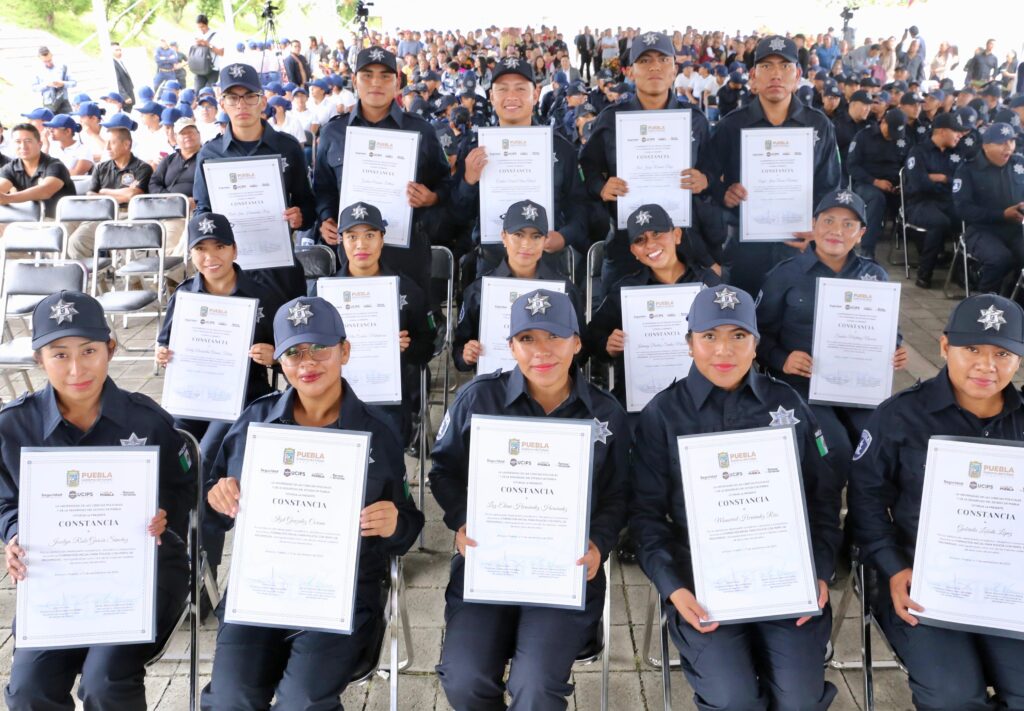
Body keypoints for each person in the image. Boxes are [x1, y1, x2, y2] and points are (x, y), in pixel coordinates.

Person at [201, 295, 424, 709]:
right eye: (294, 351)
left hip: (340, 594)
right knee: (230, 698)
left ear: (345, 350)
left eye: (320, 347)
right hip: (260, 591)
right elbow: (216, 510)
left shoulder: (379, 432)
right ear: (278, 362)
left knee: (301, 701)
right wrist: (218, 498)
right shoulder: (255, 422)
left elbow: (409, 525)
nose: (308, 361)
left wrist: (395, 524)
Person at [630, 284, 840, 711]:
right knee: (734, 700)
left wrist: (818, 571)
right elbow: (646, 517)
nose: (723, 350)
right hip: (702, 584)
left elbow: (822, 501)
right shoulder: (662, 415)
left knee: (799, 700)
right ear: (689, 344)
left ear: (756, 344)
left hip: (786, 579)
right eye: (709, 337)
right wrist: (673, 588)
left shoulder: (789, 404)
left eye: (738, 336)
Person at [431, 288, 629, 711]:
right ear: (511, 346)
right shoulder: (478, 400)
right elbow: (443, 472)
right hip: (489, 568)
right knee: (464, 678)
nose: (542, 352)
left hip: (564, 573)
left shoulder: (606, 414)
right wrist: (463, 521)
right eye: (527, 339)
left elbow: (618, 495)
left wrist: (599, 542)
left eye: (555, 337)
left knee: (535, 685)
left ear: (577, 342)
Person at [1, 290, 193, 710]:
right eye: (59, 354)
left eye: (89, 350)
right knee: (29, 689)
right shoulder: (14, 427)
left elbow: (185, 490)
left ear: (111, 348)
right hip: (55, 579)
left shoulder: (149, 421)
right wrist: (15, 536)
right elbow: (6, 502)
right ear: (38, 358)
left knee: (105, 681)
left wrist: (165, 516)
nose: (76, 369)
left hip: (142, 573)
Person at [848, 292, 1024, 710]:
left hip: (1008, 586)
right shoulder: (899, 417)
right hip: (920, 582)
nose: (986, 364)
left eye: (1003, 353)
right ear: (945, 347)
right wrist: (893, 569)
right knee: (952, 697)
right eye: (972, 349)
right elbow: (866, 503)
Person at [756, 189, 907, 501]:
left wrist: (896, 349)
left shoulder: (874, 276)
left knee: (876, 446)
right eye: (828, 220)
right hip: (800, 386)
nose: (836, 231)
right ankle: (823, 521)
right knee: (834, 449)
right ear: (814, 224)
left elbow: (889, 331)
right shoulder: (785, 275)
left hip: (858, 388)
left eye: (848, 225)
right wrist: (782, 359)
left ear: (861, 232)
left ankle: (860, 528)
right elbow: (756, 336)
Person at [580, 31, 719, 289]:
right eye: (644, 61)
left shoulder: (695, 119)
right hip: (625, 245)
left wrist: (705, 179)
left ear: (674, 69)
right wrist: (600, 187)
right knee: (617, 323)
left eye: (663, 59)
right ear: (630, 71)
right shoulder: (611, 119)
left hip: (683, 246)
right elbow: (586, 168)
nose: (654, 66)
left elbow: (712, 169)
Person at [313, 46, 450, 302]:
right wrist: (326, 219)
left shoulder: (422, 131)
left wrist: (431, 198)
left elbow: (445, 184)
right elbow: (323, 189)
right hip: (355, 253)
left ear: (397, 82)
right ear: (354, 80)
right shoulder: (333, 133)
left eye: (385, 76)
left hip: (407, 252)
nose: (376, 82)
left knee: (412, 333)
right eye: (367, 75)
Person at [710, 35, 841, 296]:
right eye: (766, 66)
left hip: (801, 246)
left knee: (795, 323)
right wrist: (723, 193)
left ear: (798, 74)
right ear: (753, 75)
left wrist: (820, 229)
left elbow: (830, 186)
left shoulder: (818, 125)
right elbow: (708, 179)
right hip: (746, 247)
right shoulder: (731, 125)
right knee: (746, 323)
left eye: (785, 66)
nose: (776, 75)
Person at [450, 58, 591, 272]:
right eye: (503, 89)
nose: (511, 97)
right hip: (492, 261)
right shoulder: (473, 148)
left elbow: (580, 207)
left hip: (548, 261)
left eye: (520, 89)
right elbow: (457, 216)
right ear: (491, 97)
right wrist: (468, 181)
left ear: (535, 95)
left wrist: (563, 237)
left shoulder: (560, 148)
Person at [192, 63, 314, 301]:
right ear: (223, 103)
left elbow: (307, 204)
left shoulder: (287, 148)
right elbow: (202, 210)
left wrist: (300, 217)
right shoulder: (210, 154)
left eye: (250, 96)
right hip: (230, 271)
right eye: (233, 98)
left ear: (262, 101)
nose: (241, 105)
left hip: (279, 269)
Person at [585, 203, 721, 407]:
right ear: (633, 251)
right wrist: (607, 345)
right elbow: (591, 335)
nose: (650, 245)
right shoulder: (626, 290)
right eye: (640, 240)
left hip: (701, 397)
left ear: (676, 235)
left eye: (657, 233)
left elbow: (733, 330)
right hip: (641, 400)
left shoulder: (707, 283)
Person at [454, 201, 585, 373]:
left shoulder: (565, 290)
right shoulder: (480, 291)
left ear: (546, 240)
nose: (526, 244)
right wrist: (467, 355)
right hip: (495, 388)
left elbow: (583, 351)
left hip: (549, 387)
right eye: (518, 234)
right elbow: (458, 352)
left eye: (536, 236)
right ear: (504, 237)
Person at [67, 114, 153, 259]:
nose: (106, 147)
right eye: (106, 143)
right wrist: (120, 194)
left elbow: (133, 195)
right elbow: (91, 197)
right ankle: (95, 279)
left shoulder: (142, 168)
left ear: (126, 145)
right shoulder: (100, 168)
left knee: (124, 247)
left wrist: (104, 191)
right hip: (101, 214)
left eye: (112, 143)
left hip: (129, 215)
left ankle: (133, 282)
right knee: (76, 242)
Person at [952, 122, 1024, 295]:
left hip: (1015, 229)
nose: (1009, 148)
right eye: (1002, 143)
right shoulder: (968, 169)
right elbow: (962, 209)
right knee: (999, 259)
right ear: (985, 145)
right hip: (981, 230)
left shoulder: (1019, 165)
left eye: (1012, 142)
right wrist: (1001, 215)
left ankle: (1013, 301)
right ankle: (985, 305)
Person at [903, 112, 969, 289]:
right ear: (941, 131)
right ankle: (925, 273)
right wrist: (945, 181)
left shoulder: (957, 153)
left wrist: (940, 178)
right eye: (956, 131)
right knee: (939, 222)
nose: (960, 135)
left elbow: (961, 181)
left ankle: (963, 273)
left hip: (948, 201)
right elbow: (917, 183)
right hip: (920, 203)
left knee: (967, 219)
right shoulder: (918, 152)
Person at [846, 108, 911, 260]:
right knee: (877, 199)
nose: (893, 137)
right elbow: (852, 166)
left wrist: (902, 185)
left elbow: (907, 166)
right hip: (867, 183)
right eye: (891, 131)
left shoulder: (903, 140)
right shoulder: (864, 136)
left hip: (894, 184)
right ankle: (867, 251)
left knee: (915, 196)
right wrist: (875, 182)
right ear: (883, 122)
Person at [0, 123, 76, 220]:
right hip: (29, 220)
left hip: (62, 220)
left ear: (40, 144)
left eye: (28, 141)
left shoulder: (55, 165)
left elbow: (45, 191)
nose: (23, 146)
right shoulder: (10, 168)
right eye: (18, 141)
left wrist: (8, 198)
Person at [150, 117, 203, 256]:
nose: (187, 136)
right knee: (167, 246)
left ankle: (175, 276)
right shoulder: (169, 160)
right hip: (173, 212)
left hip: (197, 211)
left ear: (199, 135)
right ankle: (174, 276)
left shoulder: (208, 157)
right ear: (175, 138)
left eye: (191, 132)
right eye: (183, 133)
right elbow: (154, 183)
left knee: (188, 241)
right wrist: (169, 198)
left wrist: (197, 200)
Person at [32, 46, 75, 115]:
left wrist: (63, 83)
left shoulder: (62, 67)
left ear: (51, 55)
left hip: (63, 102)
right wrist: (46, 85)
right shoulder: (37, 71)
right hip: (48, 104)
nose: (48, 63)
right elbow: (34, 88)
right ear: (39, 59)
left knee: (68, 124)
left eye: (50, 60)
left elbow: (74, 82)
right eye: (45, 62)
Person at [191, 14, 224, 90]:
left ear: (207, 24)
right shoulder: (196, 34)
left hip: (212, 69)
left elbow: (221, 53)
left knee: (208, 93)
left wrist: (208, 44)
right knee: (197, 92)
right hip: (199, 68)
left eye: (202, 27)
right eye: (198, 27)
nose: (201, 29)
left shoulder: (216, 35)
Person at [111, 42, 136, 110]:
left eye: (120, 50)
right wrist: (125, 96)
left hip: (129, 92)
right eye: (116, 50)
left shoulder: (119, 61)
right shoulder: (113, 64)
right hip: (124, 97)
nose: (119, 52)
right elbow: (117, 81)